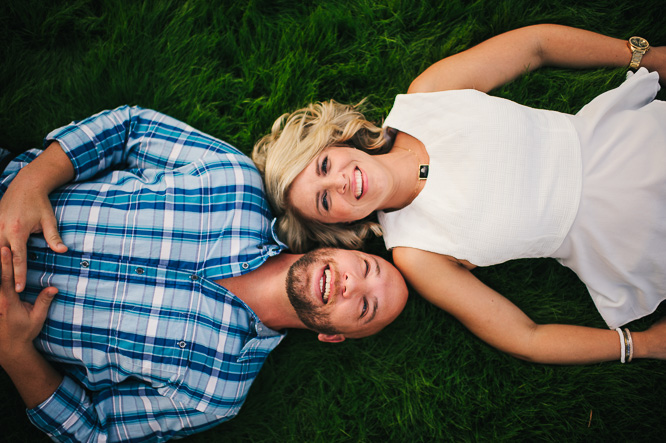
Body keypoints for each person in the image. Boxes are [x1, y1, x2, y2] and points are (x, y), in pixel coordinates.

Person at [253, 24, 666, 365]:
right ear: (338, 224)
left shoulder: (427, 96)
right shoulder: (417, 253)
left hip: (627, 142)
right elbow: (526, 336)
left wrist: (647, 57)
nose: (339, 183)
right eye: (325, 201)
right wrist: (643, 345)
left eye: (324, 167)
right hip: (629, 235)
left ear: (336, 143)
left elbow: (535, 46)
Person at [0, 105, 408, 442]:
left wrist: (15, 352)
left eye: (366, 307)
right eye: (368, 269)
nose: (354, 285)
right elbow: (130, 128)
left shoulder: (215, 393)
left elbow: (93, 431)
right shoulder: (233, 179)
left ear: (333, 336)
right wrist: (28, 184)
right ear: (339, 248)